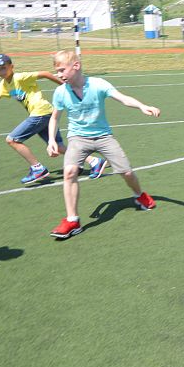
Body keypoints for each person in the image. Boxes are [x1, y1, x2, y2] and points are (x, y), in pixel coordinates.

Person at [46, 50, 160, 239]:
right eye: (57, 71)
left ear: (76, 66)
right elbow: (54, 118)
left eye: (61, 70)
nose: (58, 75)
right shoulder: (60, 92)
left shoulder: (98, 84)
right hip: (77, 138)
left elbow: (123, 98)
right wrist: (51, 140)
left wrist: (142, 106)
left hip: (103, 136)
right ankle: (72, 220)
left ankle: (139, 194)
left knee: (127, 172)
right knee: (69, 172)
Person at [0, 53, 106, 184]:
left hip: (41, 112)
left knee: (12, 140)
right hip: (45, 113)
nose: (0, 71)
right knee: (57, 146)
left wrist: (65, 86)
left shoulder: (19, 77)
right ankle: (94, 161)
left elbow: (45, 73)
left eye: (3, 67)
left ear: (11, 66)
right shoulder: (4, 85)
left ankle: (37, 168)